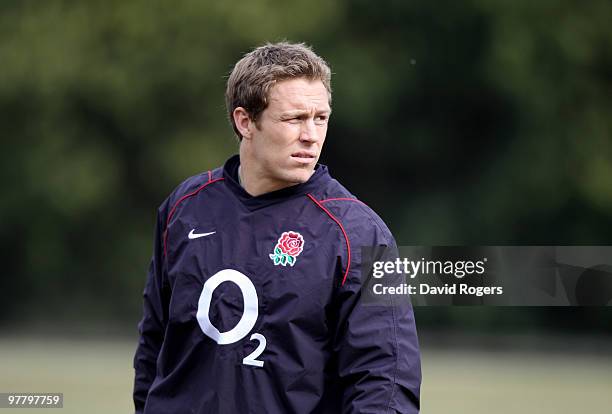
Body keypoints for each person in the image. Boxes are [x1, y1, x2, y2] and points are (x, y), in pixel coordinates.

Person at [133, 41, 421, 414]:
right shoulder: (185, 208)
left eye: (321, 118)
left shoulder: (359, 233)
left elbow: (385, 382)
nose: (311, 135)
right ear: (245, 121)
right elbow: (155, 346)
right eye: (294, 119)